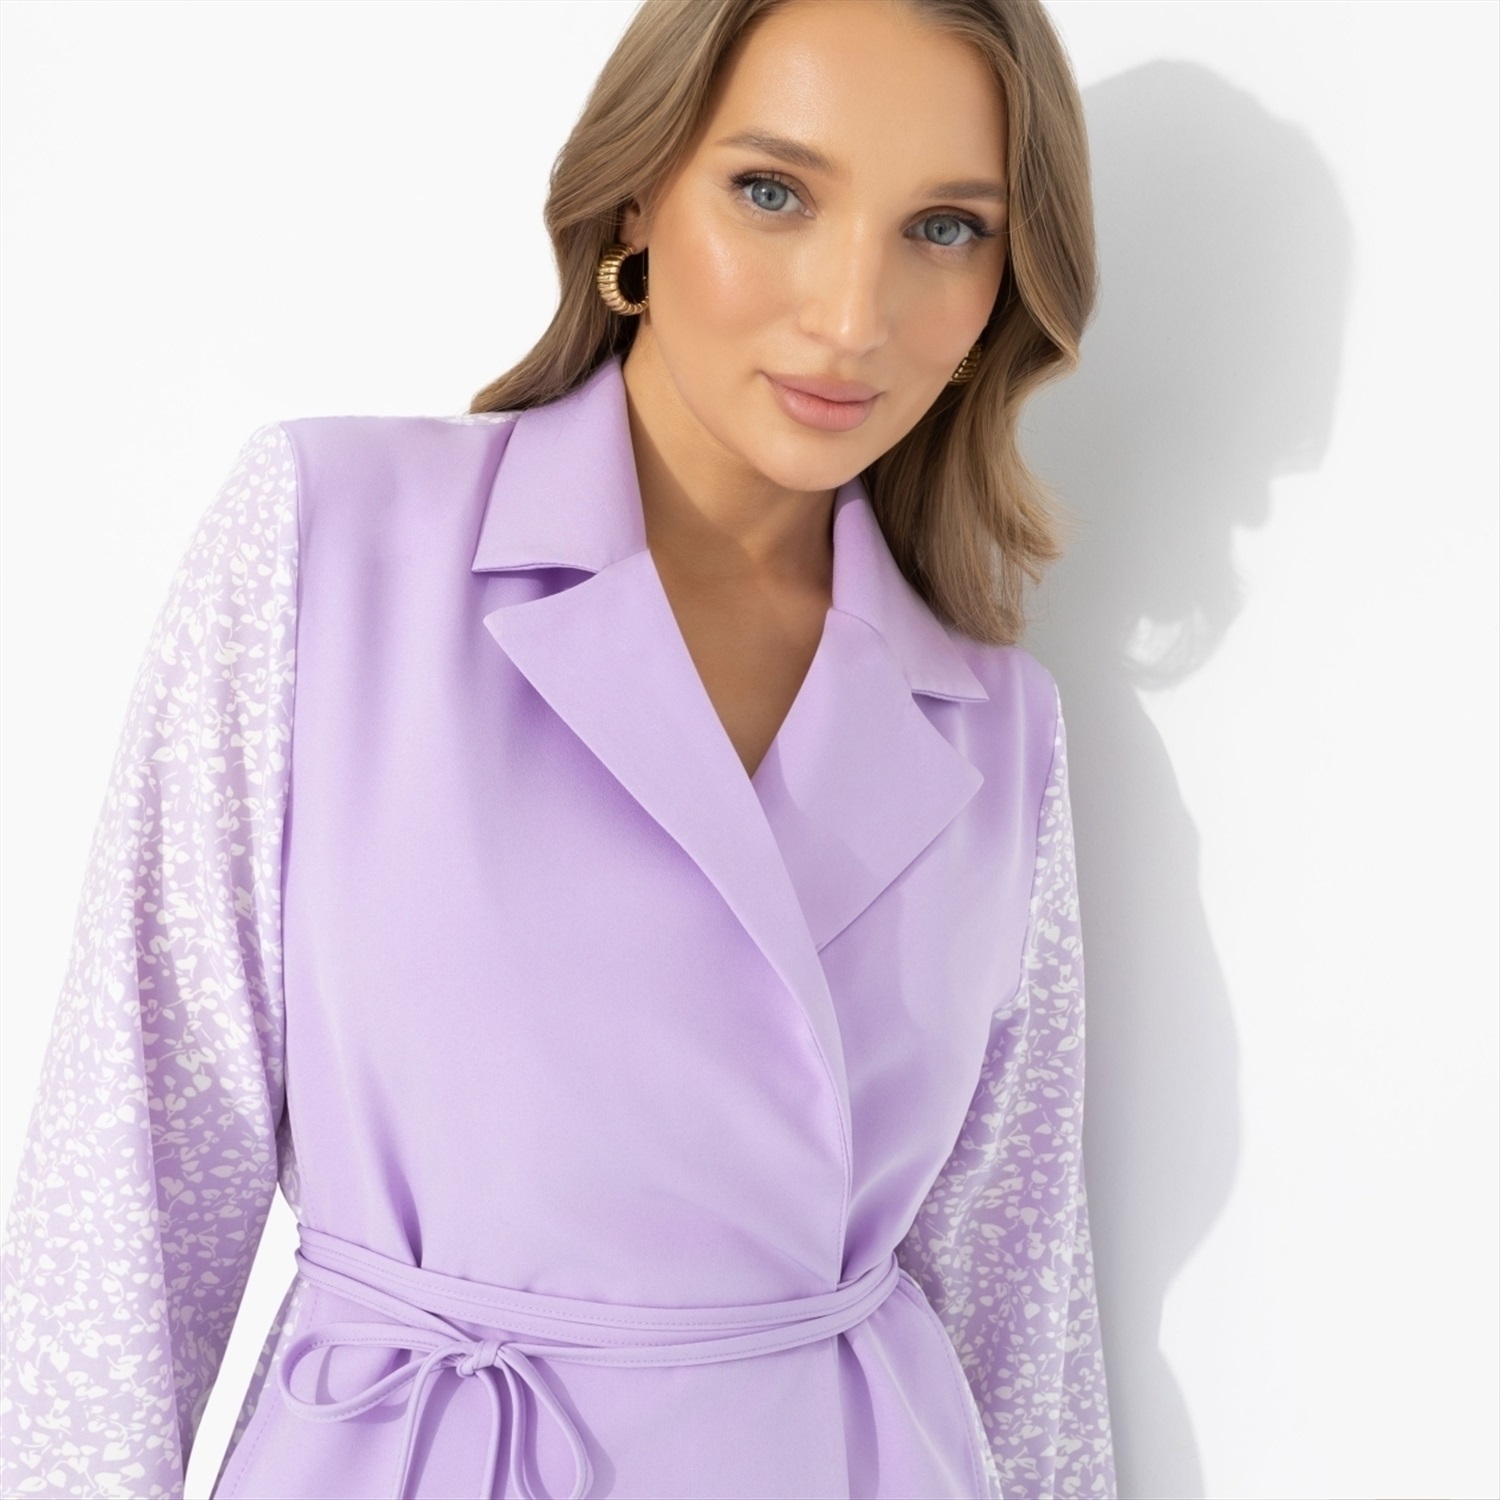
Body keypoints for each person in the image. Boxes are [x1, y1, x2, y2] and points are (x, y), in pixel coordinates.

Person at [0, 0, 1114, 1494]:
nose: (855, 312)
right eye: (773, 191)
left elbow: (1021, 1312)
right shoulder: (334, 541)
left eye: (945, 228)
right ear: (638, 197)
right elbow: (130, 1185)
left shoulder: (995, 725)